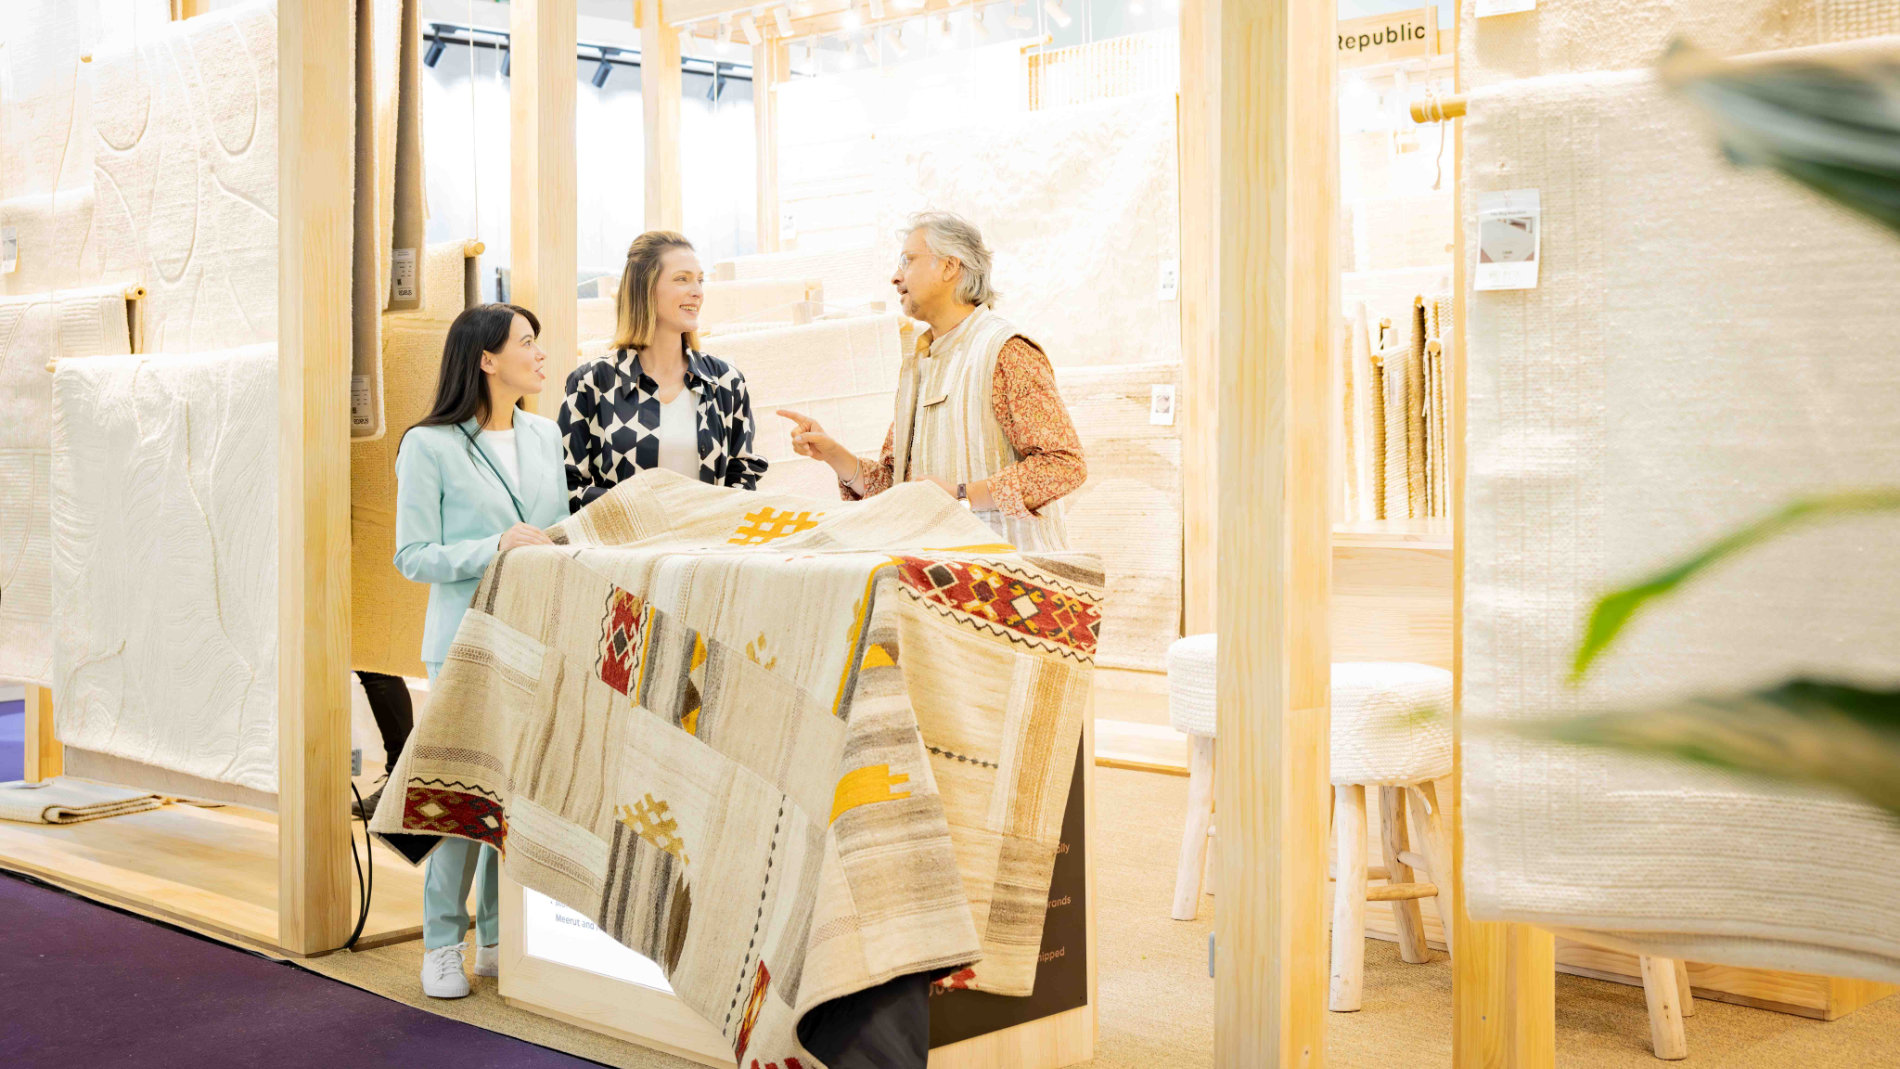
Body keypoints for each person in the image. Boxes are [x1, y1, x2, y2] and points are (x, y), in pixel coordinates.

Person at [392, 302, 567, 999]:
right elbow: (411, 556)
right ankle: (442, 941)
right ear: (487, 359)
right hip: (462, 644)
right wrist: (492, 546)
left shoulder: (547, 435)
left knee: (515, 800)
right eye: (527, 342)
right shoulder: (428, 445)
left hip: (536, 637)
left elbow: (555, 532)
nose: (539, 353)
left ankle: (499, 936)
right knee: (458, 800)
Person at [779, 211, 1086, 551]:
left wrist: (962, 495)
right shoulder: (918, 363)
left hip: (1010, 577)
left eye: (907, 261)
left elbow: (1064, 465)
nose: (896, 277)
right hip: (938, 577)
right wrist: (833, 454)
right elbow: (896, 487)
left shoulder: (1006, 351)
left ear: (950, 267)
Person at [559, 231, 767, 511]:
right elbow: (568, 488)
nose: (697, 291)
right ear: (645, 287)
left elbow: (743, 476)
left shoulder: (726, 382)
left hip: (707, 549)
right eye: (682, 278)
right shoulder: (591, 383)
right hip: (625, 552)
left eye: (700, 280)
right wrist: (642, 508)